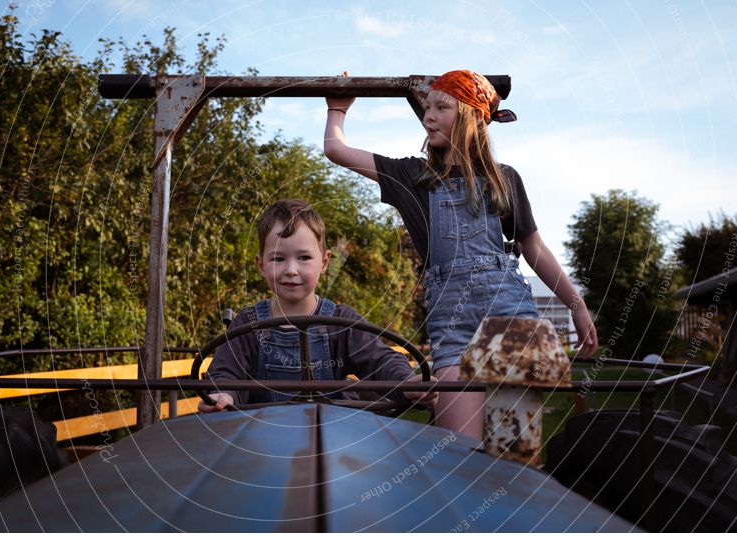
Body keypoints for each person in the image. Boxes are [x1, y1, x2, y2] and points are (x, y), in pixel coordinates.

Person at [323, 70, 598, 438]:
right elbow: (335, 150)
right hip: (451, 327)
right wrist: (337, 109)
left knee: (512, 449)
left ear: (470, 116)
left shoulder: (504, 179)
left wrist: (576, 305)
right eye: (427, 108)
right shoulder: (412, 176)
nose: (428, 117)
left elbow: (534, 249)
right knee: (456, 453)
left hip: (509, 317)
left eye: (441, 107)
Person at [198, 198, 436, 412]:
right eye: (278, 259)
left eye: (303, 258)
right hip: (265, 443)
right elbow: (225, 373)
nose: (291, 270)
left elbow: (380, 360)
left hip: (331, 443)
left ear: (324, 262)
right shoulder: (248, 325)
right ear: (261, 265)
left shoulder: (341, 322)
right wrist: (223, 394)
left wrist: (406, 382)